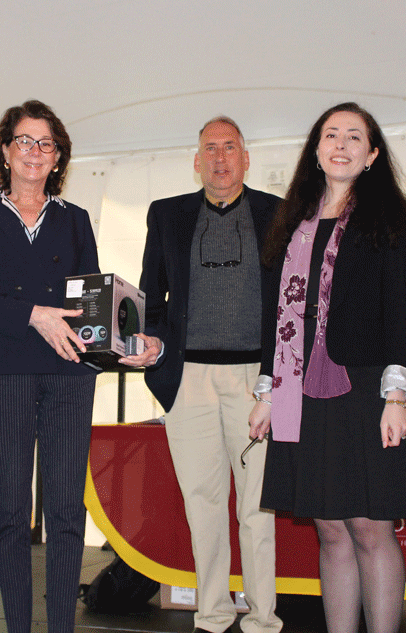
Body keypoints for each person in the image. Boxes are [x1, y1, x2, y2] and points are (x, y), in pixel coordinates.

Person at [249, 102, 406, 633]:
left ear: (372, 154)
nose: (342, 144)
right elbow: (276, 318)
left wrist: (396, 399)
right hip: (297, 392)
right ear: (316, 149)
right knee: (329, 529)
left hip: (366, 391)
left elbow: (402, 314)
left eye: (355, 137)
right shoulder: (292, 222)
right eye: (331, 134)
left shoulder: (392, 219)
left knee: (370, 529)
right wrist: (268, 394)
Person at [0, 100, 100, 633]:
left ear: (58, 159)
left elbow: (91, 299)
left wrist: (125, 339)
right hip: (2, 370)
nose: (35, 152)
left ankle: (60, 628)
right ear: (6, 151)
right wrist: (32, 315)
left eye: (46, 144)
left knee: (66, 510)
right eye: (24, 141)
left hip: (68, 374)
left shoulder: (74, 220)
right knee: (10, 512)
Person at [123, 116, 283, 633]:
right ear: (196, 161)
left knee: (258, 507)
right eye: (209, 149)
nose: (219, 157)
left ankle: (262, 618)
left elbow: (290, 305)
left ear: (246, 157)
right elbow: (151, 297)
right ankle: (211, 615)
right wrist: (150, 344)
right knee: (204, 504)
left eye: (229, 147)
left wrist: (278, 380)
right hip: (187, 379)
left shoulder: (278, 214)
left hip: (255, 383)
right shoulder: (166, 215)